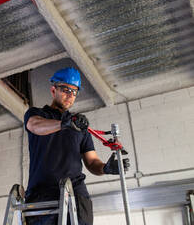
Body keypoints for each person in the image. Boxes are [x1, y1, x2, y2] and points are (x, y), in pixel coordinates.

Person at [24, 67, 130, 225]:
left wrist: (106, 168)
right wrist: (65, 124)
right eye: (65, 89)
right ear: (54, 90)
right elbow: (34, 126)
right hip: (42, 194)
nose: (70, 95)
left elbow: (92, 162)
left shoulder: (80, 128)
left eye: (74, 92)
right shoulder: (37, 114)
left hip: (76, 194)